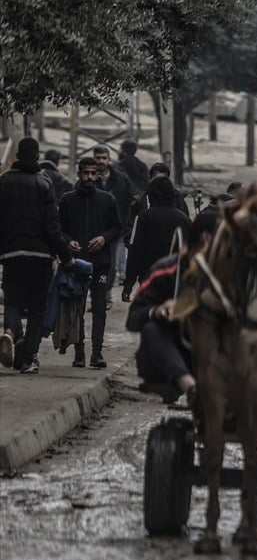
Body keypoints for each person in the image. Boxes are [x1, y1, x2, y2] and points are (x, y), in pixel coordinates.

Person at [125, 209, 218, 404]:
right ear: (207, 239)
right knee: (152, 328)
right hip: (171, 360)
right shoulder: (165, 271)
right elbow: (133, 318)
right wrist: (157, 311)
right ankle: (190, 388)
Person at [0, 138, 76, 374]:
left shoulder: (3, 182)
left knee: (12, 299)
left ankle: (10, 331)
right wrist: (65, 256)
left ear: (17, 157)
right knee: (36, 308)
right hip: (40, 255)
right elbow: (52, 227)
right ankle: (28, 359)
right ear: (36, 157)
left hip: (11, 253)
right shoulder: (44, 183)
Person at [58, 156, 123, 369]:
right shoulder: (67, 200)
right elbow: (59, 228)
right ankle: (79, 353)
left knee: (99, 309)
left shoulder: (107, 199)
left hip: (100, 264)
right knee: (76, 309)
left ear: (99, 174)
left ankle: (96, 353)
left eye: (93, 173)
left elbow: (117, 228)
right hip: (76, 264)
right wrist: (69, 242)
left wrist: (104, 238)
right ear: (79, 174)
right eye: (86, 173)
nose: (89, 177)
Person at [121, 177, 191, 302]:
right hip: (175, 278)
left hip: (149, 277)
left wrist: (128, 285)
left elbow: (135, 252)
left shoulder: (144, 217)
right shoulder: (184, 219)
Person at [94, 145, 134, 288]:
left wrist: (126, 223)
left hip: (114, 228)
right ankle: (98, 294)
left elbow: (130, 201)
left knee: (111, 264)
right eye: (98, 158)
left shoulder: (121, 179)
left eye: (104, 158)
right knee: (93, 264)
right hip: (93, 228)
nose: (101, 161)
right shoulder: (88, 179)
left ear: (109, 159)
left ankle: (106, 293)